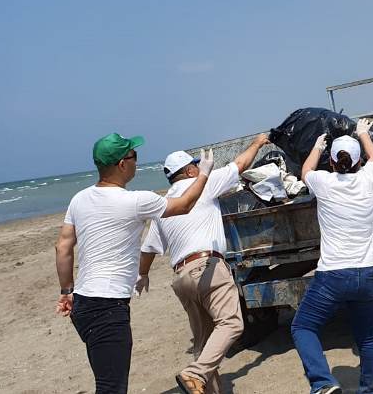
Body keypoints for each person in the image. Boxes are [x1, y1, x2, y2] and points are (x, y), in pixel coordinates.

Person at [55, 133, 215, 393]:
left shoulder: (79, 199)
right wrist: (204, 173)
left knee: (107, 379)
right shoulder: (136, 201)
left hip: (83, 305)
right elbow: (184, 204)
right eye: (134, 156)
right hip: (107, 306)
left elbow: (62, 247)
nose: (136, 162)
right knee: (112, 387)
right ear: (121, 164)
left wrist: (66, 291)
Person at [136, 134, 269, 394]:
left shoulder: (167, 205)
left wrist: (142, 275)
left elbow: (148, 247)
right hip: (207, 267)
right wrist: (257, 143)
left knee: (204, 342)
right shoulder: (203, 184)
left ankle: (202, 385)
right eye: (195, 165)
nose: (199, 167)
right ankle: (194, 373)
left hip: (181, 277)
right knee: (231, 323)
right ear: (188, 170)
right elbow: (239, 166)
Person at [291, 118, 373, 394]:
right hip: (367, 272)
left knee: (303, 327)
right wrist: (364, 134)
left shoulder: (323, 182)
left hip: (333, 275)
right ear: (357, 162)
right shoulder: (368, 178)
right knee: (368, 338)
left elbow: (306, 169)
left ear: (331, 162)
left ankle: (323, 383)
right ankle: (370, 391)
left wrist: (317, 147)